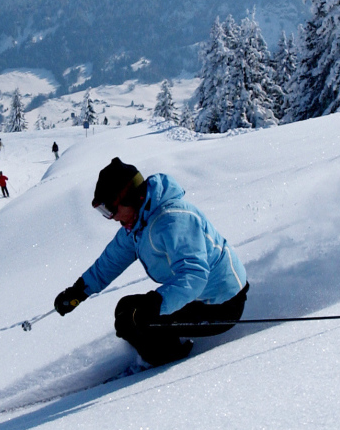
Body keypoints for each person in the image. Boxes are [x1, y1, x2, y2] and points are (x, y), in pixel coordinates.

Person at [54, 157, 248, 367]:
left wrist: (155, 304)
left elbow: (194, 275)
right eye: (104, 212)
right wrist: (79, 291)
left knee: (134, 318)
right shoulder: (138, 223)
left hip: (222, 304)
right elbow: (111, 260)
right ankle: (162, 352)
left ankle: (166, 365)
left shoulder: (173, 220)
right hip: (199, 297)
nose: (111, 218)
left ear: (129, 197)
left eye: (110, 209)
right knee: (128, 311)